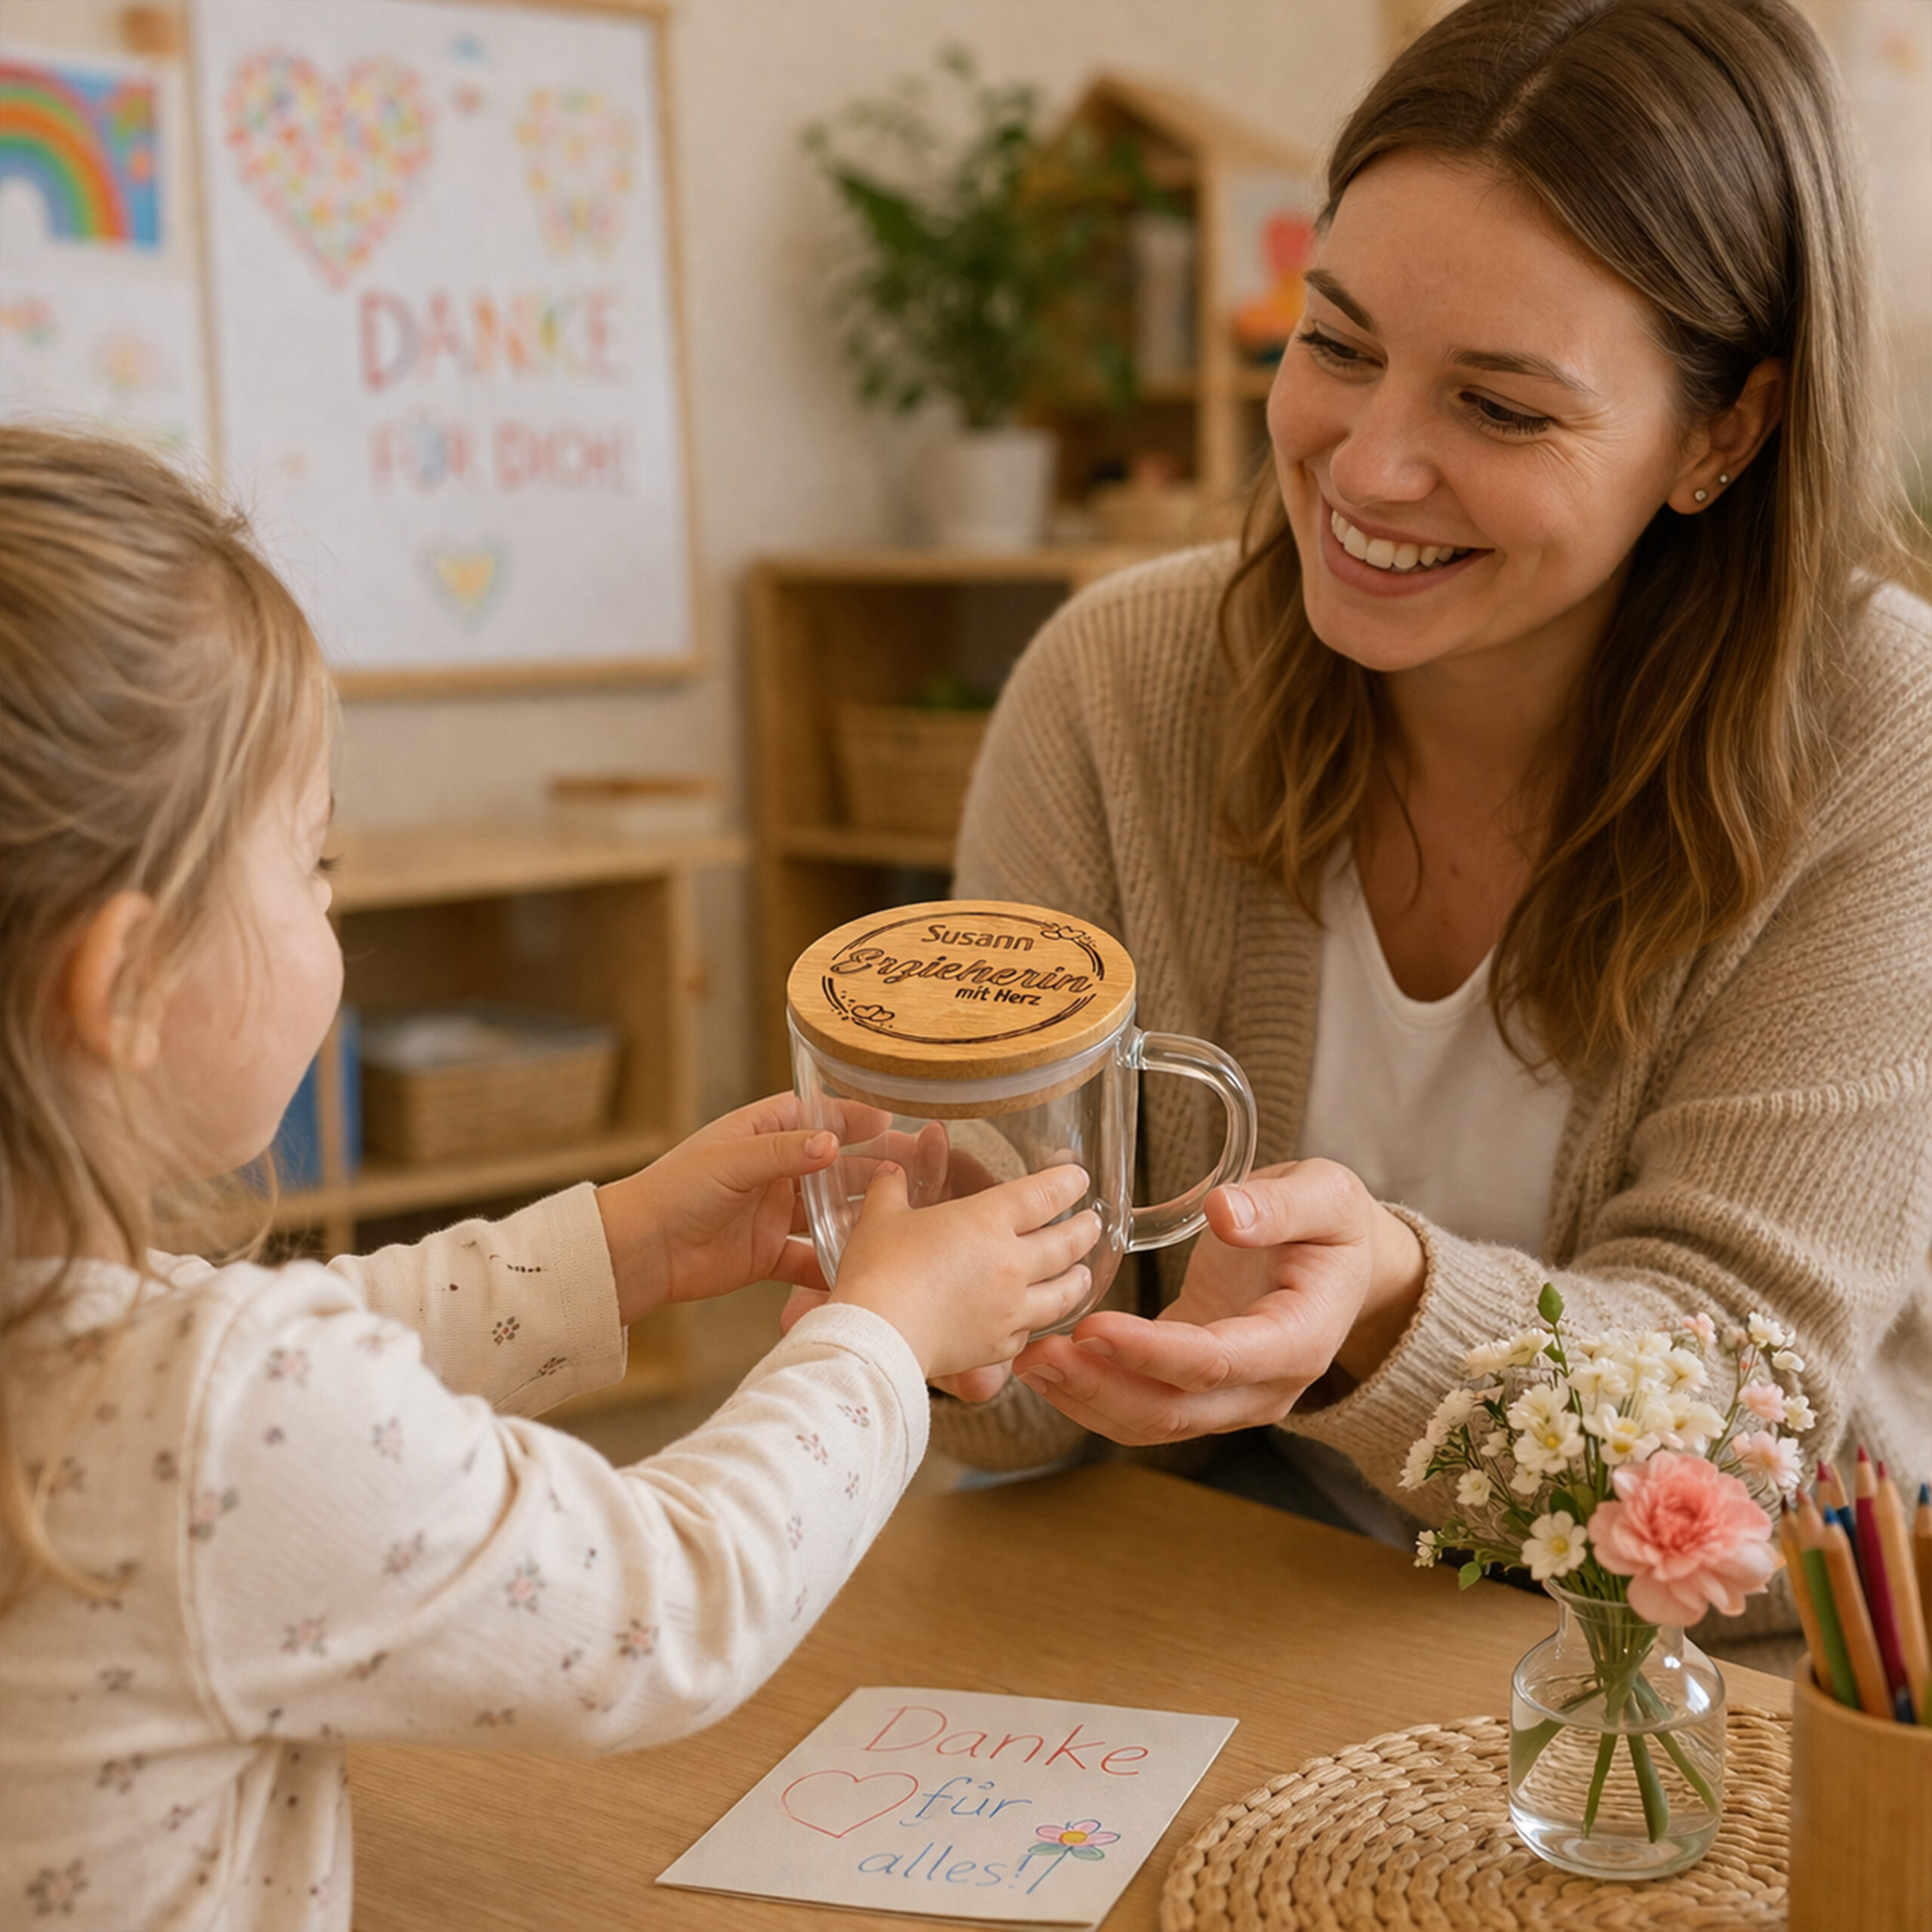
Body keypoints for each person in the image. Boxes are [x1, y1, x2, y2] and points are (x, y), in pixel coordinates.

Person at [0, 428, 1100, 1929]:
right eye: (312, 867)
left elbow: (287, 1341)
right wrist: (884, 1341)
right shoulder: (210, 1412)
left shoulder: (84, 1343)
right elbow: (657, 1604)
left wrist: (616, 1247)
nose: (332, 912)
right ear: (123, 982)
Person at [920, 0, 1932, 1628]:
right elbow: (1029, 1404)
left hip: (1690, 1674)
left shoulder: (1887, 738)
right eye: (1333, 343)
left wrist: (1387, 1305)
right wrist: (922, 1286)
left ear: (1721, 433)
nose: (1367, 467)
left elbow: (1737, 1432)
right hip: (1238, 1587)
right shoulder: (1116, 685)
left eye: (1500, 408)